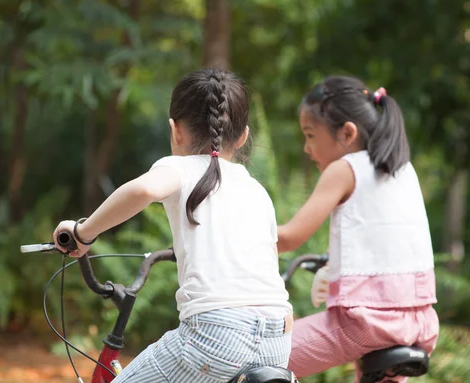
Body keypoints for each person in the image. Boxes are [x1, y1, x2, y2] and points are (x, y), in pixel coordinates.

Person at [53, 68, 293, 383]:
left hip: (215, 337)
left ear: (175, 130)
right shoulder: (257, 191)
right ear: (244, 135)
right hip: (279, 340)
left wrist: (83, 233)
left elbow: (143, 190)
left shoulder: (179, 167)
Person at [277, 75, 439, 382]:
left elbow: (288, 237)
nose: (306, 148)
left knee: (258, 355)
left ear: (347, 133)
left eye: (310, 135)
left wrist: (226, 237)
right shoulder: (402, 169)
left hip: (367, 324)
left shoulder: (345, 169)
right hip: (420, 324)